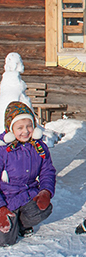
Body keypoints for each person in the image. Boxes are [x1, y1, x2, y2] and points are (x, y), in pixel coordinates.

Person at [0, 102, 55, 246]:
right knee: (5, 240)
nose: (25, 131)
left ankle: (21, 224)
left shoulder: (39, 147)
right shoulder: (2, 150)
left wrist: (45, 191)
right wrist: (1, 208)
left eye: (29, 126)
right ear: (10, 129)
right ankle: (11, 222)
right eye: (20, 127)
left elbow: (47, 171)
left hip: (28, 196)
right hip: (7, 200)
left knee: (44, 208)